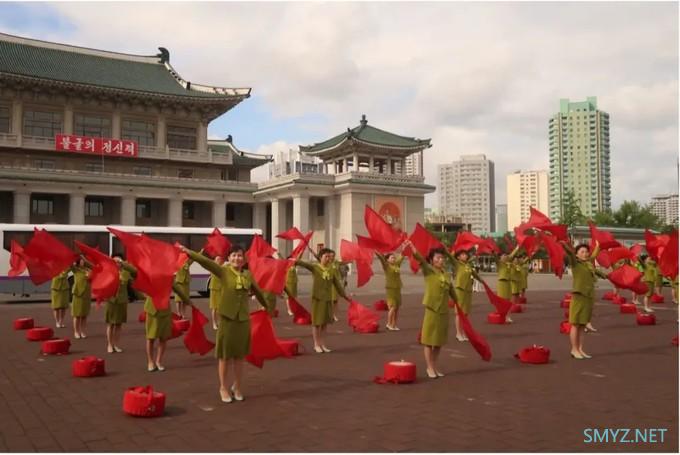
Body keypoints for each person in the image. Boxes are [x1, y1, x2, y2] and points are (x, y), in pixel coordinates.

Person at [182, 244, 267, 403]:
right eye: (234, 255)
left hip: (242, 320)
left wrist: (266, 306)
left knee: (240, 357)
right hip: (227, 319)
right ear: (229, 258)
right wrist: (190, 253)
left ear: (244, 259)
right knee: (224, 356)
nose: (237, 258)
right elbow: (207, 263)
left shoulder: (248, 275)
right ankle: (223, 387)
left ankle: (238, 386)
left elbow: (258, 291)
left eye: (240, 255)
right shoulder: (223, 271)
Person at [405, 240, 457, 379]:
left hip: (443, 311)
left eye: (442, 258)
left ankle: (434, 366)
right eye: (437, 258)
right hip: (432, 309)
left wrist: (458, 302)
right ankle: (429, 367)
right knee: (429, 341)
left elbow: (451, 290)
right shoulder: (429, 271)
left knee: (439, 342)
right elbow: (420, 259)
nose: (441, 260)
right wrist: (413, 248)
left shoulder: (446, 274)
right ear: (432, 260)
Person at [296, 248, 350, 353]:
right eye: (326, 257)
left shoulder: (330, 270)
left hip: (327, 298)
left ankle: (322, 344)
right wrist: (300, 252)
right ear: (321, 257)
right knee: (317, 323)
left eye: (330, 257)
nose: (328, 259)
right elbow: (299, 263)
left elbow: (337, 284)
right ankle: (316, 344)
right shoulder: (315, 267)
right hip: (318, 299)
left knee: (325, 322)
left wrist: (344, 295)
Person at [561, 240, 606, 359]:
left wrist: (597, 246)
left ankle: (580, 349)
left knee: (582, 325)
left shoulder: (589, 264)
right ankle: (574, 349)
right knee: (575, 324)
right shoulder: (576, 263)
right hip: (579, 296)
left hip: (588, 297)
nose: (585, 254)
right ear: (577, 254)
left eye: (587, 251)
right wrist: (565, 246)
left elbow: (598, 268)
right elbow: (570, 254)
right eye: (582, 251)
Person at [143, 282, 192, 372]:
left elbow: (178, 291)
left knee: (163, 337)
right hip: (152, 311)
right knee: (151, 337)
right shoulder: (150, 277)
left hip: (165, 311)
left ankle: (158, 361)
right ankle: (150, 362)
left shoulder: (168, 279)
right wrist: (123, 266)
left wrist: (188, 301)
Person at [444, 248, 479, 342]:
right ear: (458, 257)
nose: (465, 256)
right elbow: (450, 256)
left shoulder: (468, 265)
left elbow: (475, 274)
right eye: (463, 254)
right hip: (460, 290)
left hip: (468, 291)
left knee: (465, 314)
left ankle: (462, 333)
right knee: (459, 313)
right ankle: (458, 333)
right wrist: (448, 250)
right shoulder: (457, 264)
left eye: (465, 254)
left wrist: (482, 281)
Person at [104, 255, 134, 353]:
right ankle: (109, 344)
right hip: (112, 300)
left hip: (122, 300)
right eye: (115, 261)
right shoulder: (109, 272)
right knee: (111, 324)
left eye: (119, 261)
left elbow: (134, 271)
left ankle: (116, 344)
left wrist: (123, 263)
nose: (117, 263)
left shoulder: (126, 273)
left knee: (118, 324)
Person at [376, 249, 405, 331]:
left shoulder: (397, 265)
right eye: (392, 258)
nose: (394, 259)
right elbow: (381, 259)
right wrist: (378, 253)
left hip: (397, 288)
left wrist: (405, 247)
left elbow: (402, 256)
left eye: (394, 258)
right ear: (387, 260)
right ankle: (389, 323)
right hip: (390, 289)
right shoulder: (386, 266)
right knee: (392, 307)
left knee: (397, 308)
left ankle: (394, 324)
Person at [495, 246, 520, 323]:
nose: (505, 256)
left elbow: (512, 255)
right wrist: (493, 252)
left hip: (508, 283)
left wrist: (517, 247)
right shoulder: (499, 264)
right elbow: (495, 258)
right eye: (503, 255)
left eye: (506, 255)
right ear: (500, 257)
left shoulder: (509, 264)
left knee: (509, 301)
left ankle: (507, 316)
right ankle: (500, 315)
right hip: (502, 283)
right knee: (501, 301)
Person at [71, 257, 92, 339]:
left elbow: (95, 268)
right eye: (81, 261)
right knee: (77, 314)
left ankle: (82, 331)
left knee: (84, 315)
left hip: (86, 294)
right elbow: (70, 265)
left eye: (83, 261)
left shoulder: (88, 270)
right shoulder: (76, 270)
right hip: (78, 294)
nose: (83, 262)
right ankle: (76, 331)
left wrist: (86, 261)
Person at [208, 255, 225, 330]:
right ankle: (214, 323)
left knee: (220, 307)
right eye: (217, 259)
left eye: (220, 259)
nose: (219, 260)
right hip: (214, 289)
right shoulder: (212, 267)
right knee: (214, 307)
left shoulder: (223, 268)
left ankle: (219, 322)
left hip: (221, 289)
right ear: (214, 261)